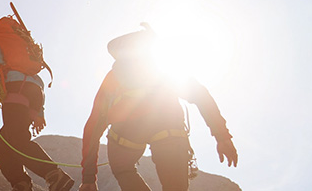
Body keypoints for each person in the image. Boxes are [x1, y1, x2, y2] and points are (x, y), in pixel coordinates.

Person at [78, 23, 238, 191]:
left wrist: (88, 178)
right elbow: (201, 96)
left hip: (125, 138)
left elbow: (93, 126)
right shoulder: (164, 68)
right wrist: (222, 136)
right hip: (170, 131)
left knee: (123, 169)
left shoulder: (114, 76)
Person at [0, 19, 74, 191]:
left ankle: (54, 175)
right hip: (32, 89)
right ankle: (21, 184)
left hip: (15, 88)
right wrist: (39, 111)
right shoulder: (1, 38)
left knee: (17, 140)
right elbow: (34, 79)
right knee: (2, 145)